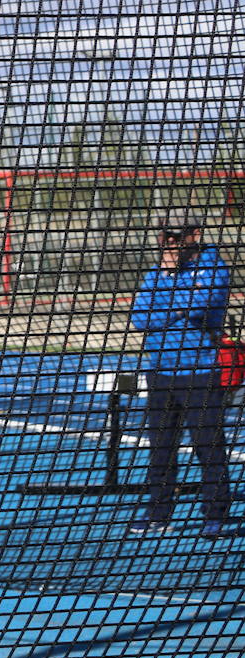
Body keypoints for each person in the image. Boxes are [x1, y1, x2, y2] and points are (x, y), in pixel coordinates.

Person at [129, 212, 234, 536]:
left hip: (199, 373)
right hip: (159, 373)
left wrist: (169, 300)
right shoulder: (156, 272)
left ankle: (216, 514)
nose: (168, 243)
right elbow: (140, 318)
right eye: (165, 236)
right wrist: (168, 282)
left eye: (175, 237)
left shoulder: (214, 267)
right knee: (161, 448)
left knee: (208, 447)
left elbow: (200, 305)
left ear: (194, 234)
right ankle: (159, 512)